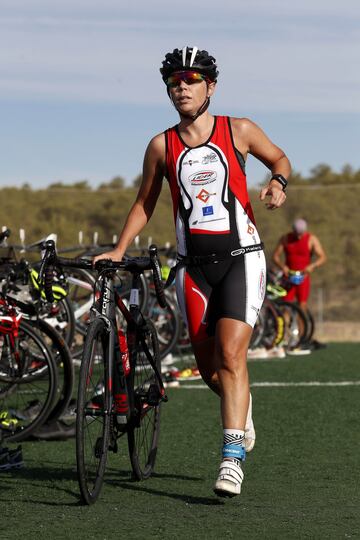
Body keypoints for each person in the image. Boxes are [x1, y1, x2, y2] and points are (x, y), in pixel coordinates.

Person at [94, 46, 291, 497]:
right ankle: (242, 408)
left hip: (243, 259)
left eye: (191, 79)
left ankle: (231, 459)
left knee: (231, 354)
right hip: (192, 270)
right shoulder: (161, 145)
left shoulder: (237, 130)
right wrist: (119, 248)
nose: (181, 87)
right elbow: (145, 202)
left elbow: (280, 159)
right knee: (210, 372)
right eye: (174, 81)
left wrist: (278, 183)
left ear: (211, 87)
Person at [272, 218, 326, 312]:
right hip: (288, 277)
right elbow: (275, 256)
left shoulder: (311, 239)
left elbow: (322, 257)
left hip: (303, 277)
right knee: (286, 305)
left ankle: (302, 326)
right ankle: (286, 326)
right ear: (293, 230)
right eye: (297, 234)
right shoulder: (285, 238)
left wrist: (312, 266)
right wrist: (282, 266)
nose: (299, 237)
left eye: (301, 234)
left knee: (302, 306)